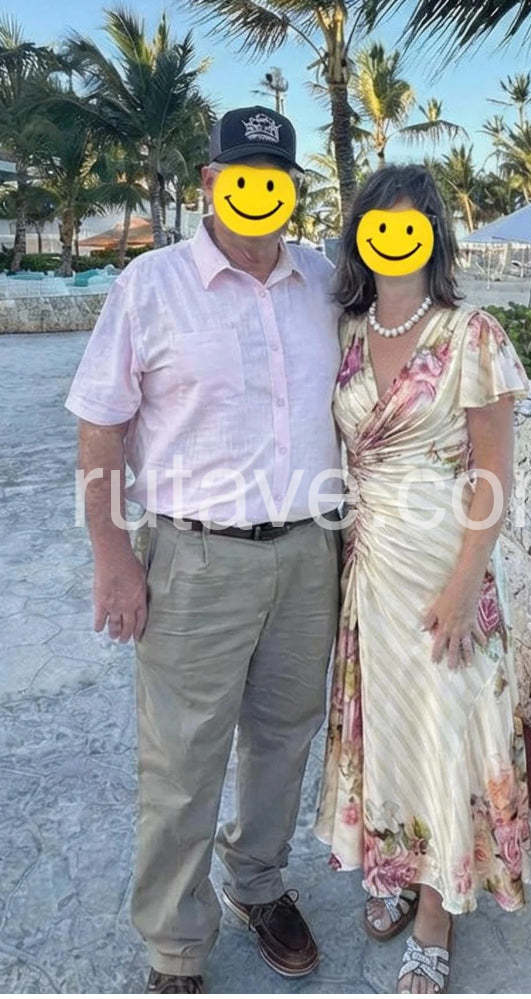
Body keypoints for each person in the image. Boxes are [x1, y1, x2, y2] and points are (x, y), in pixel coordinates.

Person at [64, 106, 342, 994]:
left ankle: (257, 883)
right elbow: (100, 425)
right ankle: (176, 943)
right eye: (242, 174)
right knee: (182, 756)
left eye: (276, 176)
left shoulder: (325, 281)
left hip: (309, 553)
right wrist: (112, 555)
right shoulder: (150, 286)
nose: (260, 189)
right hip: (195, 558)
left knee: (284, 736)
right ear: (211, 182)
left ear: (291, 188)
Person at [314, 164, 531, 994]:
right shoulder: (345, 332)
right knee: (389, 732)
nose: (394, 238)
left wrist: (463, 587)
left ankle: (437, 914)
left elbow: (493, 475)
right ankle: (398, 864)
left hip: (447, 567)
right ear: (360, 237)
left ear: (433, 237)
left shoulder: (472, 334)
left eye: (412, 224)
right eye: (379, 223)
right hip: (372, 567)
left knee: (445, 735)